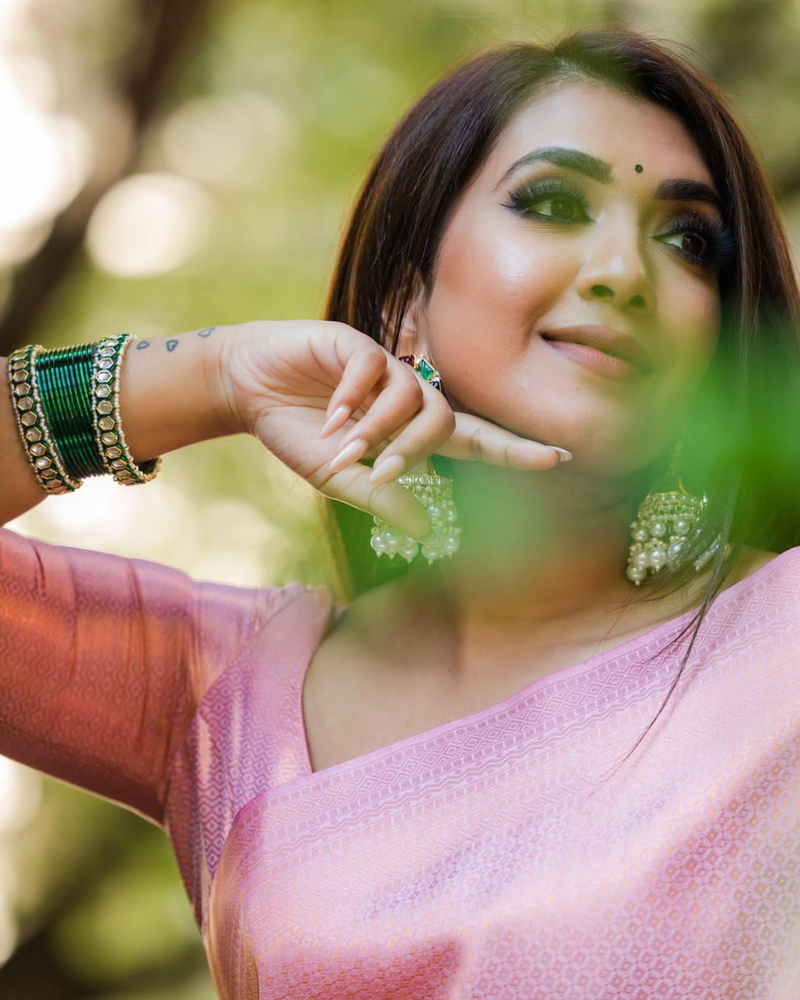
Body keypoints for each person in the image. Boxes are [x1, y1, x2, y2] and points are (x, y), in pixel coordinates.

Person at [1, 26, 799, 1000]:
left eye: (687, 239)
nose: (623, 270)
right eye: (551, 203)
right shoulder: (223, 692)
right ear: (403, 298)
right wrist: (210, 377)